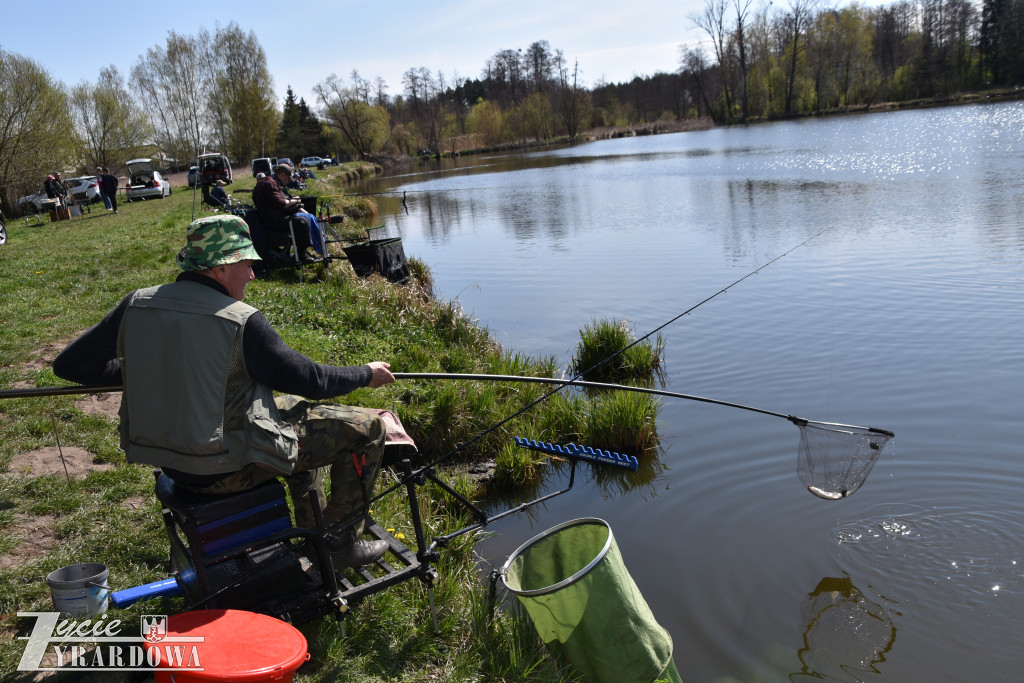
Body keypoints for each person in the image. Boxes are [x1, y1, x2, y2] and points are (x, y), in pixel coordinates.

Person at [52, 215, 395, 568]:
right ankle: (338, 547)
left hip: (172, 461)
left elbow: (69, 365)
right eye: (246, 264)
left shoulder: (136, 304)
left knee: (292, 408)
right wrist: (364, 374)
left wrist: (145, 373)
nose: (252, 275)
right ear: (220, 269)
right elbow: (309, 378)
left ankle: (315, 531)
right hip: (221, 470)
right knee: (369, 429)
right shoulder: (240, 320)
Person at [252, 163, 323, 261]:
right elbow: (280, 203)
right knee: (301, 222)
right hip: (272, 221)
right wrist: (295, 201)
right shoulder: (270, 184)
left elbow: (282, 201)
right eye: (288, 178)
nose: (289, 181)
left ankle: (304, 250)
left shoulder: (273, 182)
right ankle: (301, 253)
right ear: (283, 175)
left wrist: (295, 203)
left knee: (306, 217)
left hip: (276, 216)